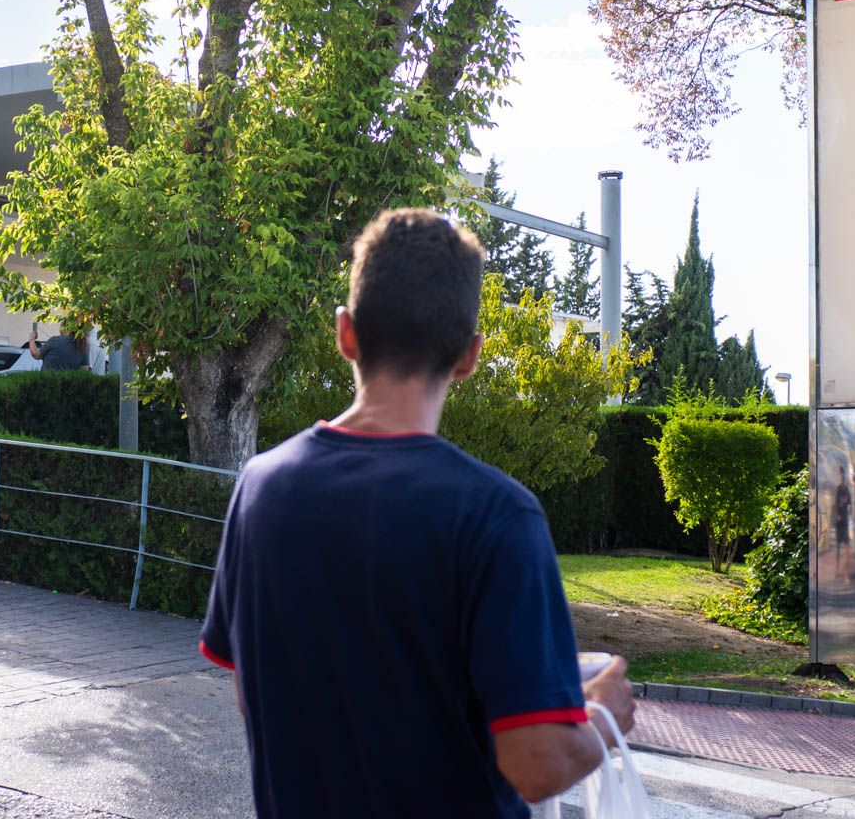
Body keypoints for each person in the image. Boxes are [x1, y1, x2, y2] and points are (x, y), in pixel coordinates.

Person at [199, 209, 635, 816]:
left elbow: (257, 696)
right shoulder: (499, 516)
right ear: (469, 356)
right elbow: (536, 765)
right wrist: (600, 718)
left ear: (345, 333)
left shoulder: (260, 489)